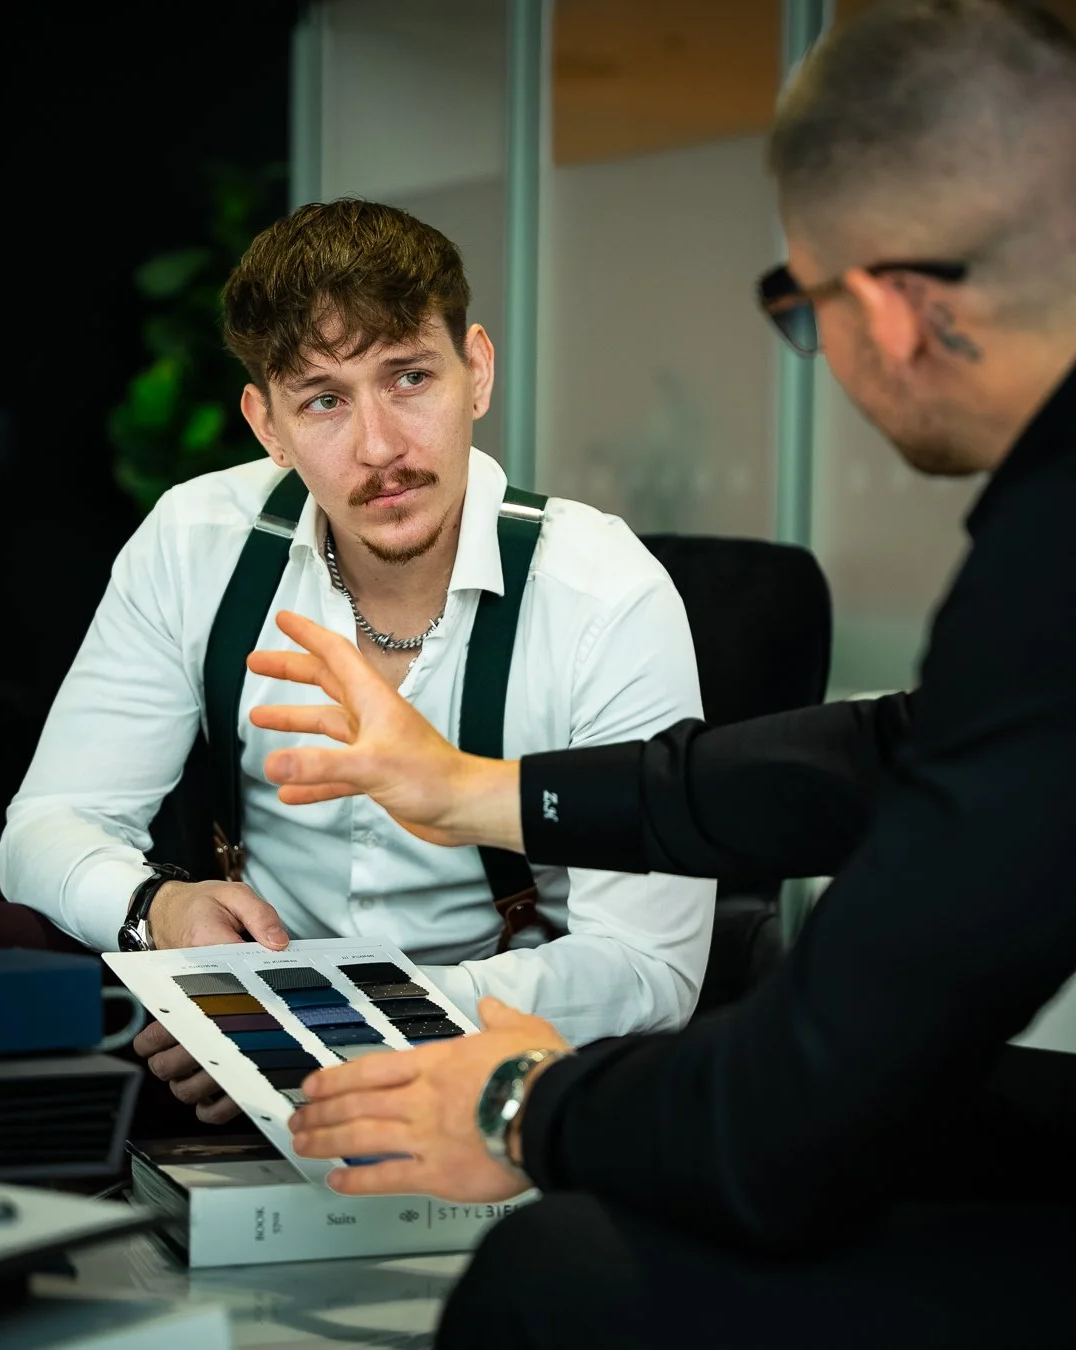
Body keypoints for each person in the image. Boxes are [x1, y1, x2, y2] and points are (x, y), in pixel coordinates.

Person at [246, 1, 1076, 1343]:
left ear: (888, 308)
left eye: (798, 308)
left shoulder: (1051, 560)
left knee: (563, 1272)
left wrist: (524, 1102)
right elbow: (907, 753)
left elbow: (810, 1097)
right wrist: (488, 793)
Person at [0, 199, 714, 1123]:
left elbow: (648, 967)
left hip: (513, 1098)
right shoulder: (197, 543)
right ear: (269, 426)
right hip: (243, 1106)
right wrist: (158, 913)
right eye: (324, 400)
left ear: (478, 370)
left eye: (410, 377)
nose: (379, 448)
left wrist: (321, 1032)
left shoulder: (605, 595)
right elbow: (45, 828)